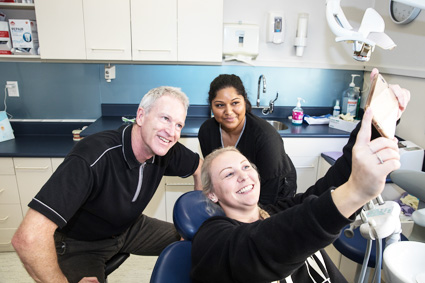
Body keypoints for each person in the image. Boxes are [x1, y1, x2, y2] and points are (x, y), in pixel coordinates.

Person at [191, 71, 410, 282]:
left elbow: (327, 188)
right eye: (229, 173)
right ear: (210, 194)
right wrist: (355, 192)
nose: (243, 176)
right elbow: (260, 246)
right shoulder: (213, 237)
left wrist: (375, 122)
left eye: (246, 167)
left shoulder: (273, 211)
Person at [12, 86, 203, 283]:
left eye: (179, 125)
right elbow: (28, 239)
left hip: (129, 227)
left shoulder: (166, 148)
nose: (172, 132)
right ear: (141, 116)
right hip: (80, 243)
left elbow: (201, 168)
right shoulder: (92, 156)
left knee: (199, 241)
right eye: (165, 118)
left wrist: (196, 218)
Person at [198, 74, 297, 205]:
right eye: (220, 105)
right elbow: (215, 176)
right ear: (211, 106)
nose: (228, 111)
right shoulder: (207, 132)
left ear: (244, 102)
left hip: (275, 189)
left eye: (235, 103)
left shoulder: (266, 138)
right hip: (239, 189)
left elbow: (268, 195)